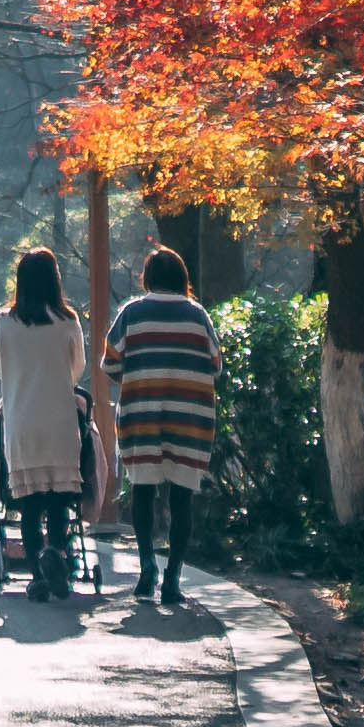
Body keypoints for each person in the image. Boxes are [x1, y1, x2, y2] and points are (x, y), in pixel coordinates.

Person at [103, 243, 220, 609]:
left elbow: (110, 364)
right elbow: (215, 364)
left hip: (142, 415)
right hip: (190, 418)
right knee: (181, 498)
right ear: (182, 279)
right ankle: (173, 579)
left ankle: (147, 566)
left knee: (142, 492)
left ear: (148, 279)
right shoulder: (198, 316)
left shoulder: (131, 313)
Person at [0, 244, 92, 602]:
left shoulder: (4, 321)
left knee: (30, 506)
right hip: (60, 424)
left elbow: (0, 368)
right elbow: (77, 370)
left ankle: (37, 573)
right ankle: (57, 554)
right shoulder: (68, 321)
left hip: (22, 424)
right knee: (59, 502)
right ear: (54, 281)